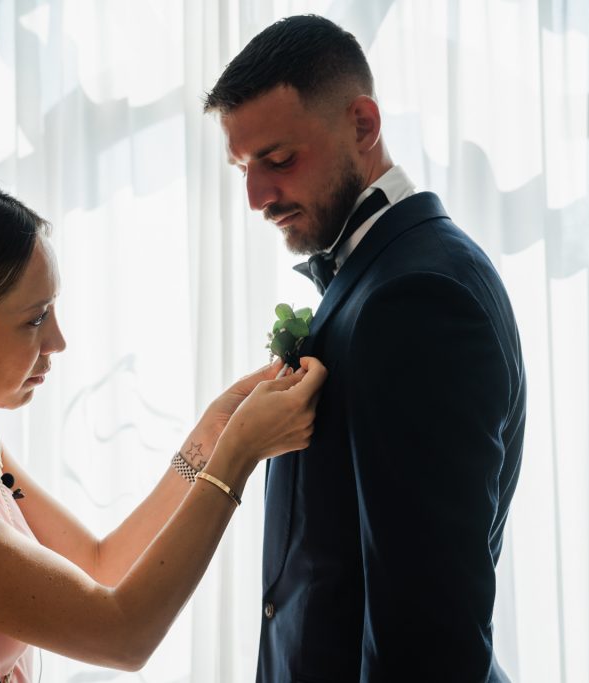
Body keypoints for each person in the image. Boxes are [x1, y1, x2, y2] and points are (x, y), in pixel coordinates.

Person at [0, 173, 326, 682]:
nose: (57, 341)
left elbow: (101, 566)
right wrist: (239, 454)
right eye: (35, 319)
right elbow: (121, 636)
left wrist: (208, 442)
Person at [204, 15, 526, 683]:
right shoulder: (387, 274)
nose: (258, 197)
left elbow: (428, 630)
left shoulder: (417, 297)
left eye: (279, 159)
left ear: (362, 124)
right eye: (244, 168)